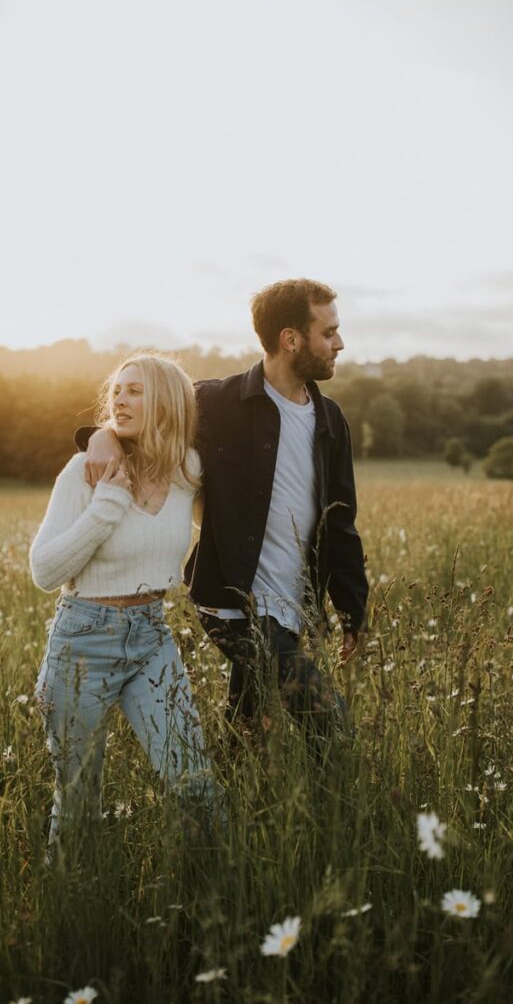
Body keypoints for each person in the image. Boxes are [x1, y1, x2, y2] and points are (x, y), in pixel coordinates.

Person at [80, 279, 368, 746]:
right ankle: (338, 808)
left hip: (295, 606)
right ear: (290, 339)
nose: (339, 343)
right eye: (329, 332)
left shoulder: (330, 421)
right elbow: (139, 419)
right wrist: (103, 436)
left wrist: (352, 607)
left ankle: (225, 796)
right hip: (230, 602)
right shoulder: (215, 402)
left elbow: (341, 520)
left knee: (247, 723)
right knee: (329, 726)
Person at [30, 352, 214, 851]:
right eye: (117, 390)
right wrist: (105, 508)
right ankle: (68, 914)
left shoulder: (187, 470)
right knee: (77, 800)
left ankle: (211, 900)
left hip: (152, 638)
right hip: (83, 641)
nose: (119, 399)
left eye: (135, 390)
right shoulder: (85, 470)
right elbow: (45, 570)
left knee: (193, 782)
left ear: (166, 402)